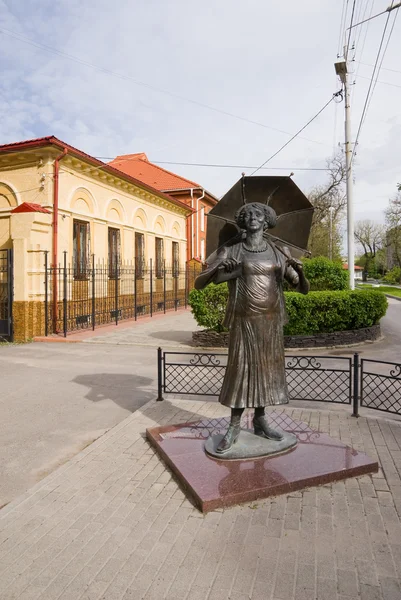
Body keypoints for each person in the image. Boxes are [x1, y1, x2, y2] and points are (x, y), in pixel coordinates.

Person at [195, 202, 309, 454]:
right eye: (247, 214)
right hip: (243, 321)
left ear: (268, 221)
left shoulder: (280, 251)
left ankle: (260, 420)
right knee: (241, 371)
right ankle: (235, 425)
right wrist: (220, 269)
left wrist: (300, 272)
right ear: (242, 221)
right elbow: (199, 284)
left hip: (270, 323)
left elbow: (301, 288)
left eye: (259, 214)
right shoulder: (232, 250)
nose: (252, 217)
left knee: (266, 372)